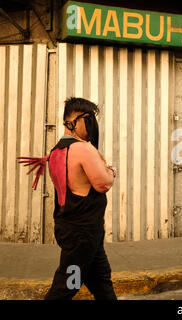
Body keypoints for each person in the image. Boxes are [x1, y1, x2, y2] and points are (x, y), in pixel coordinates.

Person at [42, 97, 117, 300]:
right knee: (67, 286)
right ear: (72, 122)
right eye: (88, 118)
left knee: (102, 283)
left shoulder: (56, 150)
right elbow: (103, 184)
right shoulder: (84, 149)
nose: (93, 124)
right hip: (82, 236)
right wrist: (111, 170)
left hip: (75, 230)